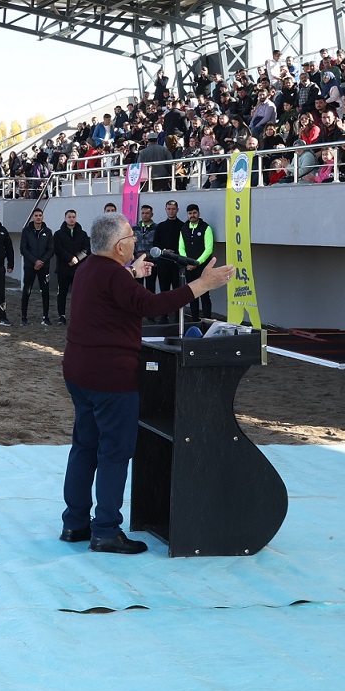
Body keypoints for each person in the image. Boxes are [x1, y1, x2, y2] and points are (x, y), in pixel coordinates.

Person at [59, 213, 237, 554]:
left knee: (85, 446)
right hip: (110, 377)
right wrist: (201, 284)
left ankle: (75, 523)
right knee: (114, 452)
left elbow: (118, 291)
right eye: (131, 237)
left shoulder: (89, 269)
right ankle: (106, 530)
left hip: (79, 373)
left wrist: (131, 272)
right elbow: (150, 304)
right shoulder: (114, 275)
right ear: (118, 245)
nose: (136, 243)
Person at [51, 208, 90, 325]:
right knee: (62, 293)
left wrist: (77, 258)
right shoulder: (58, 234)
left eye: (73, 217)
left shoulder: (83, 234)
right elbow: (58, 249)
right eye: (69, 217)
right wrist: (70, 258)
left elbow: (87, 249)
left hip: (79, 269)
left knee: (78, 293)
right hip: (64, 268)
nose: (71, 219)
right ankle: (61, 316)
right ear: (65, 218)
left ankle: (77, 315)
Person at [178, 203, 217, 318]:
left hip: (203, 267)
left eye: (194, 213)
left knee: (205, 295)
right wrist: (188, 262)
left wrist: (197, 263)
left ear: (199, 213)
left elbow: (209, 249)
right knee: (192, 294)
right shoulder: (184, 228)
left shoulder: (206, 227)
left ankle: (206, 320)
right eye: (190, 213)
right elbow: (181, 247)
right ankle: (194, 319)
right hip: (189, 267)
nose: (192, 215)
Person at [18, 208, 54, 326]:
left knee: (45, 292)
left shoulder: (48, 232)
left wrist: (41, 261)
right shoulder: (26, 231)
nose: (38, 217)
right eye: (36, 215)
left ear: (42, 217)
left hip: (44, 267)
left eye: (40, 215)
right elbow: (23, 248)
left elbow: (51, 249)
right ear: (32, 217)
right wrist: (35, 261)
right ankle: (24, 317)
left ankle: (45, 317)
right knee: (26, 291)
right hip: (30, 266)